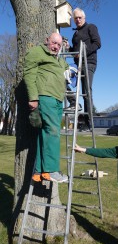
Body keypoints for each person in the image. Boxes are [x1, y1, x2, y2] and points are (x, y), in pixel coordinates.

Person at [23, 32, 69, 183]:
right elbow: (29, 74)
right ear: (47, 40)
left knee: (45, 134)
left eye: (59, 45)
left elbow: (66, 67)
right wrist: (33, 97)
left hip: (57, 98)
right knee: (53, 131)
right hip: (45, 96)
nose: (55, 47)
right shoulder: (37, 52)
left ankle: (39, 171)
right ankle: (52, 170)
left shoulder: (59, 59)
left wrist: (70, 67)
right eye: (53, 43)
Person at [67, 7, 101, 131]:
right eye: (75, 18)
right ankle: (73, 101)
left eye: (79, 18)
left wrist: (82, 52)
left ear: (84, 18)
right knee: (65, 79)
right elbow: (74, 53)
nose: (78, 20)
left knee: (87, 92)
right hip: (78, 64)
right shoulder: (75, 34)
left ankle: (89, 123)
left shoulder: (91, 27)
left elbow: (97, 43)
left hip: (89, 63)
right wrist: (69, 48)